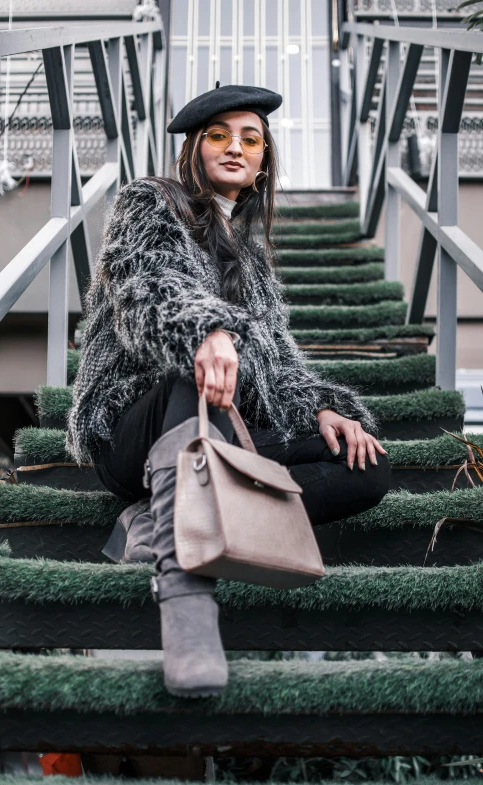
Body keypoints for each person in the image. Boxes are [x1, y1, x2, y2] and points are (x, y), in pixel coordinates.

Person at [66, 82, 391, 698]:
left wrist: (322, 408)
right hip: (140, 425)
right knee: (192, 382)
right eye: (219, 135)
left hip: (218, 434)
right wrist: (206, 332)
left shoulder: (255, 256)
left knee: (365, 465)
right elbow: (148, 287)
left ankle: (154, 516)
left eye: (251, 139)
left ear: (264, 159)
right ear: (194, 148)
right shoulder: (148, 204)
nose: (235, 148)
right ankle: (186, 601)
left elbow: (278, 363)